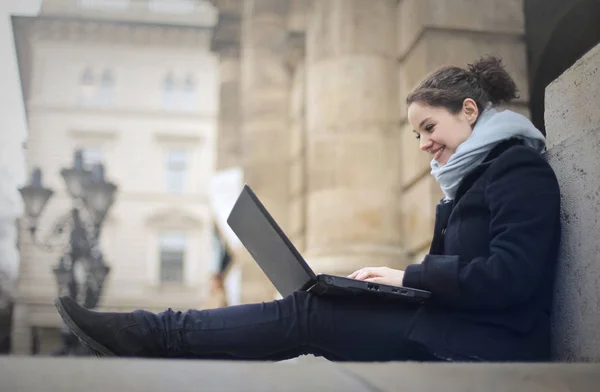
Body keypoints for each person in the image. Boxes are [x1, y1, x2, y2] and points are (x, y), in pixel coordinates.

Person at [54, 56, 561, 362]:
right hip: (457, 327)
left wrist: (407, 276)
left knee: (310, 313)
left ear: (468, 110)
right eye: (416, 134)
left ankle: (151, 334)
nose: (424, 144)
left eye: (429, 128)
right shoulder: (471, 179)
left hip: (493, 342)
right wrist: (388, 290)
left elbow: (511, 277)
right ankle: (155, 337)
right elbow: (467, 279)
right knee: (318, 299)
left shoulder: (518, 169)